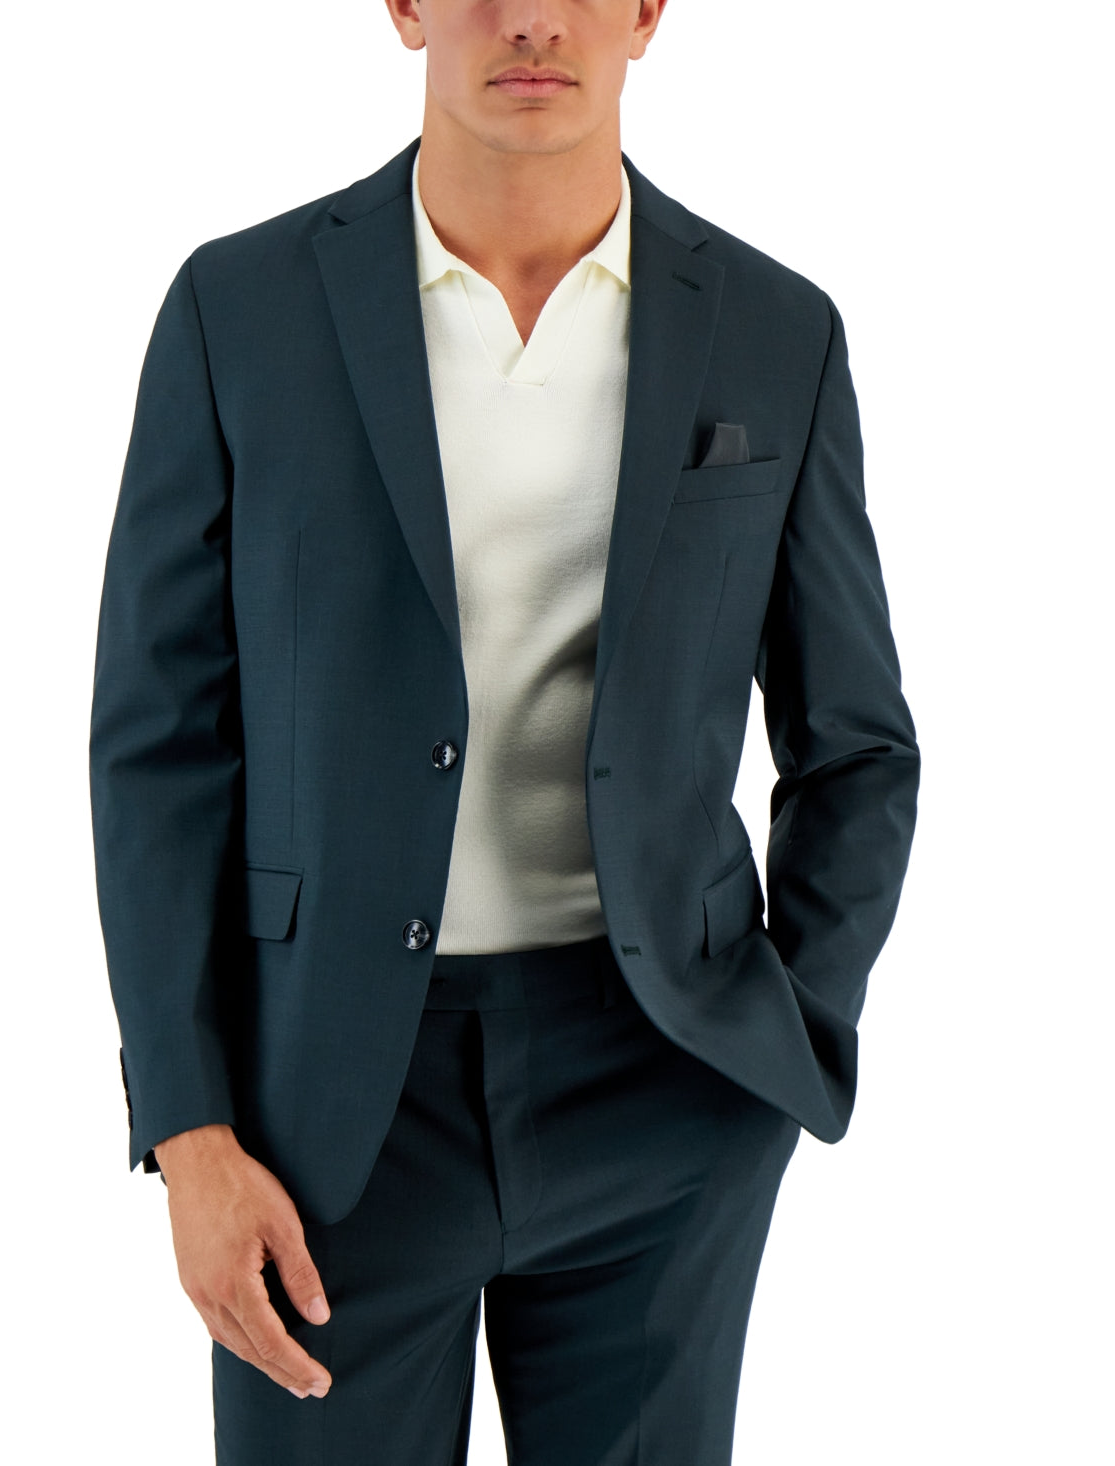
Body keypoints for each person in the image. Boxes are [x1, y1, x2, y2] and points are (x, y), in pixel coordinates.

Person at [89, 2, 920, 1461]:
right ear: (404, 6)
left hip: (663, 1086)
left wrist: (779, 1043)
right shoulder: (240, 310)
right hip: (322, 1109)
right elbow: (159, 748)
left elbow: (855, 742)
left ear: (649, 11)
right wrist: (189, 1126)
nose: (532, 19)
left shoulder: (777, 329)